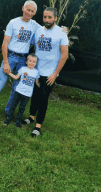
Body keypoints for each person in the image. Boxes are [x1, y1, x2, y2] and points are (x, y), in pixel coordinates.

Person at [0, 0, 40, 117]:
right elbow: (4, 44)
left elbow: (46, 31)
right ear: (23, 8)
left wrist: (62, 30)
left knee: (16, 88)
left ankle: (9, 111)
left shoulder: (34, 25)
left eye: (32, 11)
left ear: (34, 12)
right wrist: (6, 62)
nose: (29, 13)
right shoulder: (13, 23)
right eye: (28, 9)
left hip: (23, 60)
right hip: (10, 57)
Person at [22, 7, 69, 137]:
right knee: (35, 96)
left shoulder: (61, 33)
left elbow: (65, 55)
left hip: (49, 74)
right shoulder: (38, 31)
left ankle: (38, 126)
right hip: (36, 72)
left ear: (55, 18)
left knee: (43, 99)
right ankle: (31, 117)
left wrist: (55, 74)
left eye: (49, 17)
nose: (46, 20)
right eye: (44, 17)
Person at [4, 54, 40, 127]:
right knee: (13, 105)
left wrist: (42, 88)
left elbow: (37, 83)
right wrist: (9, 73)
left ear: (36, 63)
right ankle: (9, 118)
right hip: (19, 91)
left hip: (27, 94)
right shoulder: (23, 69)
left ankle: (17, 121)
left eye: (34, 62)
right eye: (30, 61)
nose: (31, 63)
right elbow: (16, 77)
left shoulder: (36, 72)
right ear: (26, 62)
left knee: (22, 108)